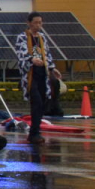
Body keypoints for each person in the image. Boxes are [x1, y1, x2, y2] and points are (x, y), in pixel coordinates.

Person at [14, 11, 62, 144]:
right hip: (31, 74)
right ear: (29, 23)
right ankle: (34, 133)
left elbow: (46, 54)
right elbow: (21, 53)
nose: (38, 25)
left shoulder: (41, 37)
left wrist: (52, 68)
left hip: (42, 73)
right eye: (35, 23)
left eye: (40, 23)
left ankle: (35, 131)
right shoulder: (22, 37)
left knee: (42, 102)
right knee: (36, 102)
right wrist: (31, 60)